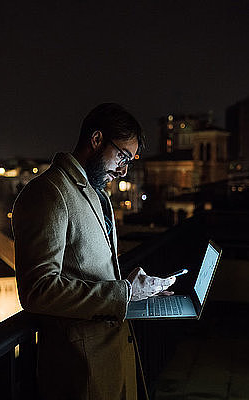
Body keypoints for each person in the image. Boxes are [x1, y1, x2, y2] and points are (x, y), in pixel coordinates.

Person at [11, 103, 176, 400]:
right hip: (81, 368)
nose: (124, 169)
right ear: (97, 139)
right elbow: (38, 290)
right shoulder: (48, 193)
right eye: (122, 156)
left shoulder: (95, 192)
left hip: (110, 357)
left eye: (130, 160)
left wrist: (134, 288)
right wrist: (124, 293)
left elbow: (87, 268)